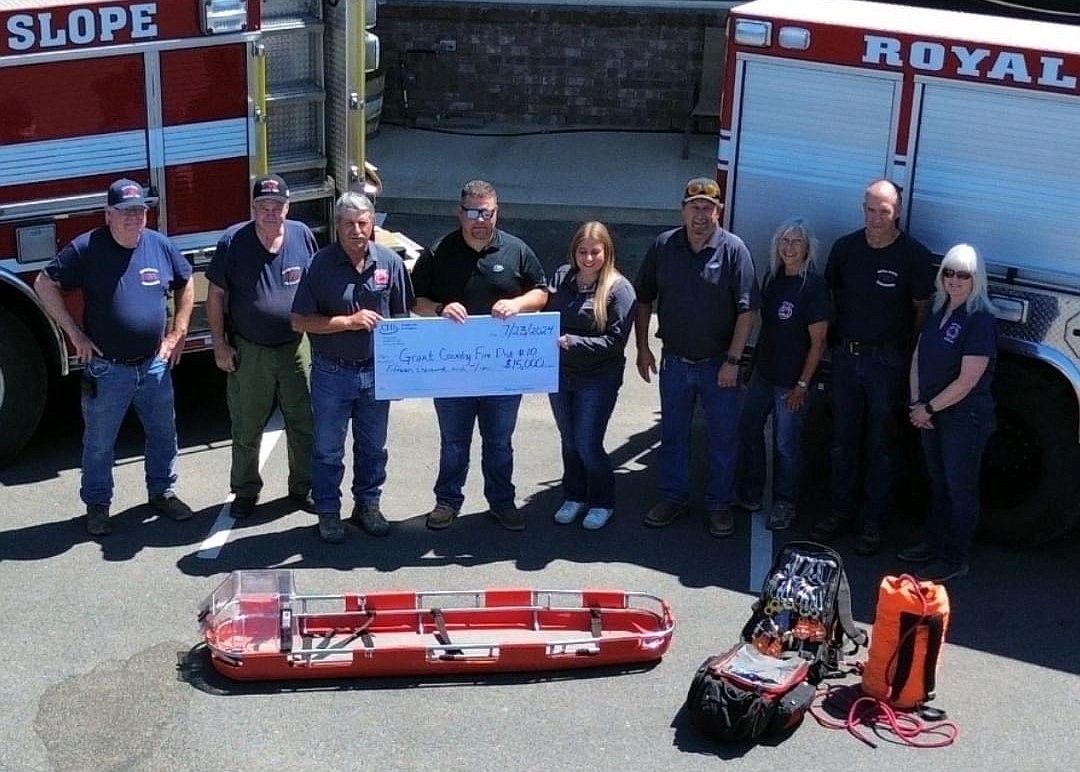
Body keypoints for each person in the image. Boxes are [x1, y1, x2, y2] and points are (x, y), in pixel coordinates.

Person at [34, 178, 195, 536]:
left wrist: (179, 330)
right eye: (124, 212)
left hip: (154, 364)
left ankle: (162, 491)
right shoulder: (87, 248)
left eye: (139, 211)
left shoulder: (158, 245)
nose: (133, 218)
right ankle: (97, 505)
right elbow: (45, 283)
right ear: (108, 214)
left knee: (163, 434)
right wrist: (74, 334)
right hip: (109, 370)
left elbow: (187, 281)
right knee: (100, 444)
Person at [411, 179, 549, 531]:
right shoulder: (438, 252)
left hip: (501, 373)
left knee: (499, 443)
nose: (479, 220)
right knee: (454, 443)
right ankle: (447, 501)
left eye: (486, 212)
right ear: (460, 213)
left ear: (496, 212)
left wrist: (518, 303)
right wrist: (440, 308)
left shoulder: (516, 251)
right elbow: (412, 299)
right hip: (451, 371)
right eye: (472, 212)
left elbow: (543, 293)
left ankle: (502, 502)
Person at [812, 179, 935, 555]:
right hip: (848, 358)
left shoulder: (913, 255)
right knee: (842, 442)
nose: (876, 217)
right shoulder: (846, 249)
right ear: (862, 208)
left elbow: (921, 309)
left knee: (882, 445)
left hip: (888, 362)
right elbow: (832, 296)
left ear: (897, 211)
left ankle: (873, 523)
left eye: (884, 210)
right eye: (870, 209)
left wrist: (900, 351)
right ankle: (840, 513)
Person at [633, 176, 759, 538]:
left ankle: (719, 505)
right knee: (673, 436)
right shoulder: (664, 246)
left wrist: (733, 362)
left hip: (719, 365)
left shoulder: (734, 250)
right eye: (694, 207)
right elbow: (644, 298)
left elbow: (747, 311)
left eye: (708, 207)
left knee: (723, 438)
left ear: (719, 211)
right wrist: (642, 348)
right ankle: (673, 497)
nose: (700, 214)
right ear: (682, 210)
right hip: (674, 362)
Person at [290, 192, 414, 543]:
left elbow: (403, 319)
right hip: (333, 372)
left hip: (378, 372)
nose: (356, 230)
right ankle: (329, 512)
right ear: (337, 226)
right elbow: (299, 322)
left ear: (372, 223)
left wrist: (403, 372)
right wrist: (347, 322)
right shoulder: (320, 265)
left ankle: (368, 505)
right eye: (348, 224)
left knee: (373, 447)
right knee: (329, 448)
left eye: (362, 223)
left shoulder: (390, 263)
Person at [205, 174, 318, 519]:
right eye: (263, 206)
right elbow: (215, 295)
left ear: (288, 206)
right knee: (247, 425)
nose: (270, 213)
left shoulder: (302, 235)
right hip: (251, 349)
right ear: (253, 207)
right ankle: (244, 491)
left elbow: (316, 285)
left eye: (277, 206)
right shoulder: (234, 241)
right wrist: (220, 345)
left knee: (305, 421)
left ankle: (303, 487)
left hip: (296, 346)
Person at [900, 244, 997, 582]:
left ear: (976, 279)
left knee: (960, 488)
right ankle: (934, 542)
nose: (955, 280)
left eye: (963, 274)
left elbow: (968, 380)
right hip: (931, 414)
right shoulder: (940, 310)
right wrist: (916, 403)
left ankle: (955, 557)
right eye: (949, 272)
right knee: (938, 483)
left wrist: (927, 407)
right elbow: (918, 357)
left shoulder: (979, 319)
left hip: (963, 418)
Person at [735, 217, 829, 531]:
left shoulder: (813, 287)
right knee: (748, 429)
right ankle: (751, 492)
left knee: (786, 445)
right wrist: (751, 366)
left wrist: (802, 384)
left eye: (796, 242)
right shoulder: (773, 278)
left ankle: (784, 504)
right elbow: (767, 329)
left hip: (792, 382)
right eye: (784, 241)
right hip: (764, 373)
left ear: (807, 250)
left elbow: (818, 343)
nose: (789, 247)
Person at [545, 221, 637, 530]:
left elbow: (615, 342)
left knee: (587, 443)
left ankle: (602, 501)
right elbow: (544, 313)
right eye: (582, 252)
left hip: (598, 379)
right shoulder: (562, 277)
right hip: (561, 374)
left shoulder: (619, 289)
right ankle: (574, 495)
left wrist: (574, 342)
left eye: (594, 252)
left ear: (606, 252)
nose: (588, 259)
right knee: (568, 440)